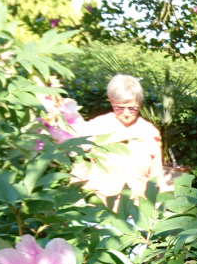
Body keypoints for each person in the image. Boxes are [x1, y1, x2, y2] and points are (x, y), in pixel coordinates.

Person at [71, 74, 165, 206]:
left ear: (140, 103)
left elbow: (156, 176)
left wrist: (156, 208)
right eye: (120, 108)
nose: (126, 113)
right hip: (98, 210)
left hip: (136, 212)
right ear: (111, 101)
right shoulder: (95, 127)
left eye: (132, 108)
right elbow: (79, 171)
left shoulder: (150, 132)